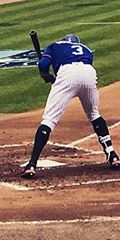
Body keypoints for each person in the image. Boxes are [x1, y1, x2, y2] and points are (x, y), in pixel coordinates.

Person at [22, 34, 120, 178]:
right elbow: (74, 73)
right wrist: (52, 77)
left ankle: (31, 165)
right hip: (88, 72)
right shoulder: (85, 49)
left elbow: (43, 65)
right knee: (94, 114)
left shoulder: (55, 46)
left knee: (49, 120)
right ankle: (112, 155)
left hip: (67, 73)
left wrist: (45, 74)